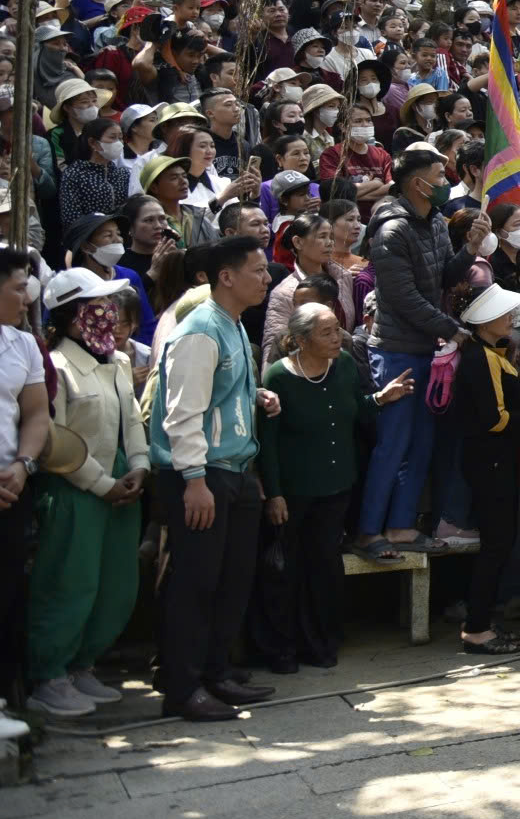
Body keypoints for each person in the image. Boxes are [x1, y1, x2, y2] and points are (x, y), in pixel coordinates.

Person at [146, 235, 277, 722]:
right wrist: (194, 480)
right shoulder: (201, 329)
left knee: (232, 579)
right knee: (196, 583)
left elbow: (221, 393)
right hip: (202, 476)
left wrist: (258, 397)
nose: (267, 279)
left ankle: (216, 672)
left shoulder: (235, 325)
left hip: (237, 470)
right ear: (227, 276)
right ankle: (183, 687)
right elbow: (182, 413)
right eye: (258, 271)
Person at [24, 268, 148, 719]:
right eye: (99, 305)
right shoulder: (56, 367)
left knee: (115, 584)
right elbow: (55, 439)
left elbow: (131, 420)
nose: (110, 313)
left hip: (121, 481)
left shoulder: (115, 360)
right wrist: (102, 483)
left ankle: (82, 664)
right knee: (69, 583)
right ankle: (48, 674)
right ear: (76, 314)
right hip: (75, 485)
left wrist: (138, 466)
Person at [251, 302, 390, 673]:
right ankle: (280, 648)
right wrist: (275, 493)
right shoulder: (279, 378)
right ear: (300, 340)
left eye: (337, 329)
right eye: (326, 332)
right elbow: (270, 440)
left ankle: (320, 643)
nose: (337, 338)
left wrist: (379, 398)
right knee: (285, 570)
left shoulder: (343, 365)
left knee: (324, 568)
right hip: (295, 490)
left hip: (336, 485)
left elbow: (354, 408)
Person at [358, 144, 461, 559]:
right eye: (438, 176)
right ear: (416, 183)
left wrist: (470, 248)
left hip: (426, 348)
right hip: (396, 350)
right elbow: (403, 298)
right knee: (393, 445)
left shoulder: (435, 222)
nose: (444, 183)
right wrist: (454, 330)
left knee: (420, 443)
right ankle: (368, 532)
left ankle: (400, 526)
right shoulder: (392, 230)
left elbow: (446, 276)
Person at [0, 253, 54, 740]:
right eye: (17, 287)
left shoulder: (23, 344)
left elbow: (35, 414)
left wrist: (23, 465)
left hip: (8, 488)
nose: (27, 297)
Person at [448, 282, 520, 655]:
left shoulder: (493, 352)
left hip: (497, 461)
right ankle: (476, 629)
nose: (511, 318)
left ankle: (481, 622)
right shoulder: (480, 357)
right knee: (496, 545)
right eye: (503, 313)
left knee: (500, 544)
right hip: (489, 462)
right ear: (484, 320)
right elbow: (495, 418)